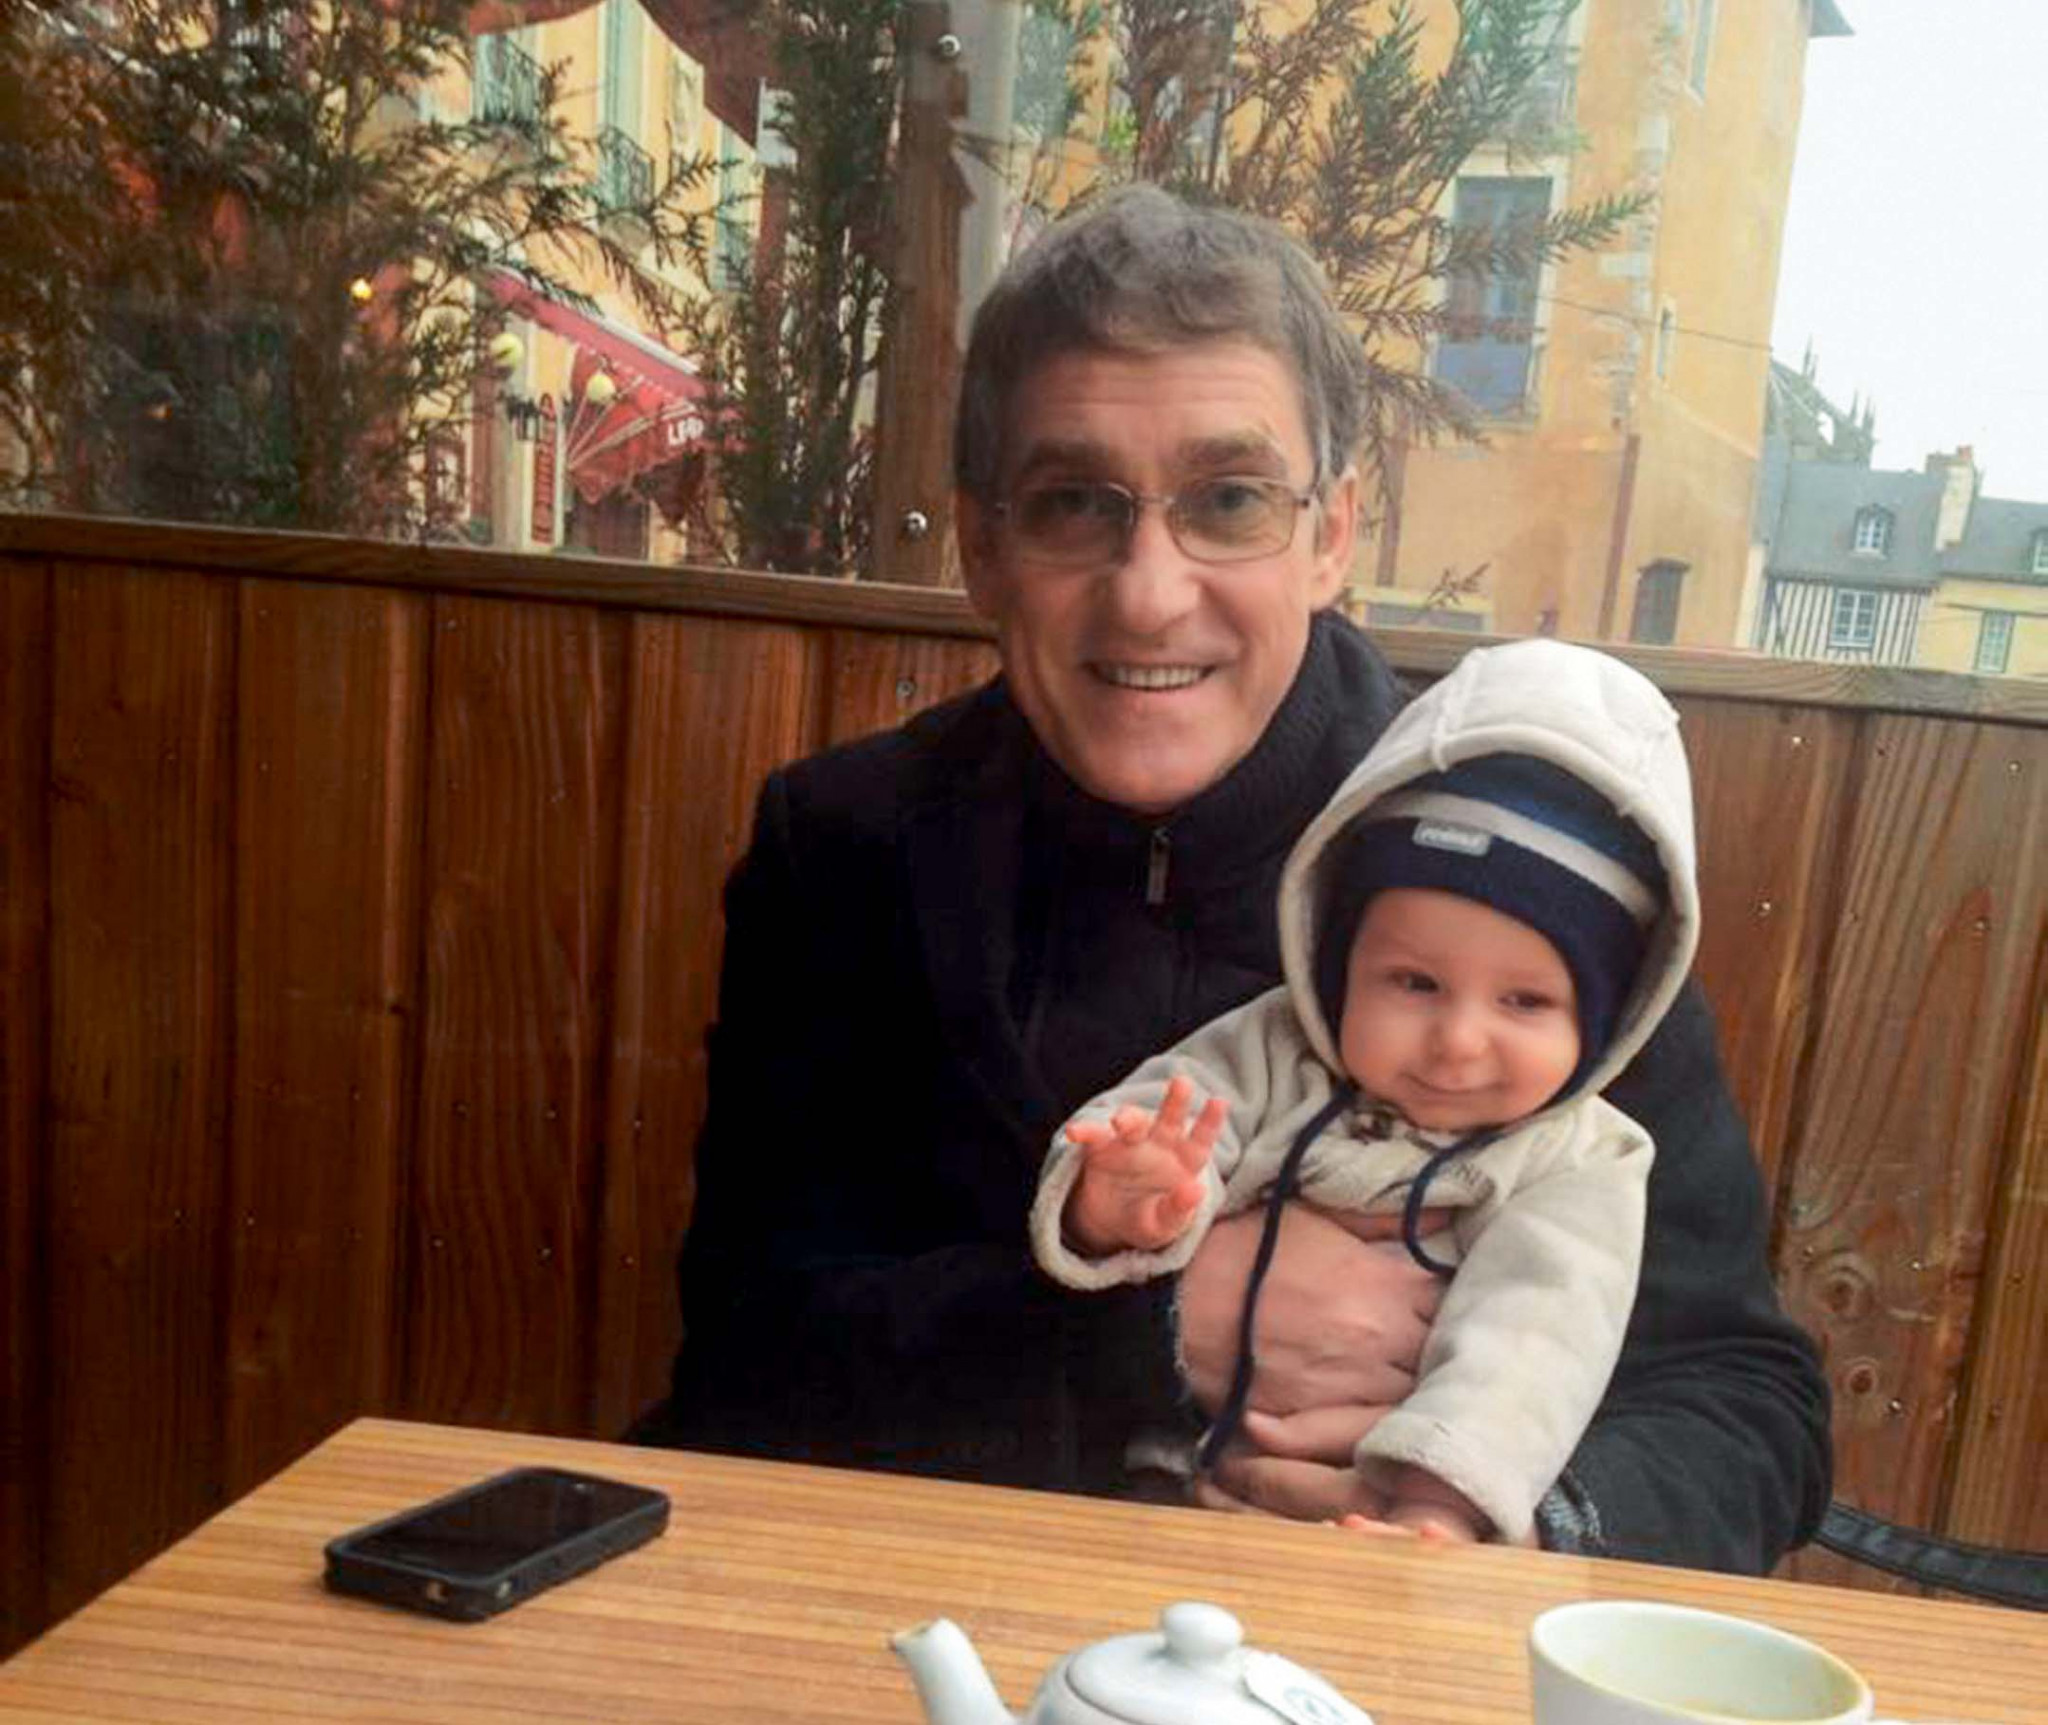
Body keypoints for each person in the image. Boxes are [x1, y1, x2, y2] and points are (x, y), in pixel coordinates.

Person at [644, 182, 1830, 1572]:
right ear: (981, 549)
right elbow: (746, 1358)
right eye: (1072, 504)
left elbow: (1745, 1408)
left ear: (1331, 534)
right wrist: (1144, 1329)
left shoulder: (1541, 849)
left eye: (1228, 500)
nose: (1150, 593)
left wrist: (1506, 1530)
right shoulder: (842, 849)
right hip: (946, 1613)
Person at [1032, 637, 1697, 1544]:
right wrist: (1115, 1196)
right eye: (1415, 982)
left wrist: (1438, 1509)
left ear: (1603, 1023)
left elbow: (1531, 1346)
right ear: (1339, 963)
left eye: (1525, 1001)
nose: (1459, 1039)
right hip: (1162, 1487)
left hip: (1378, 1520)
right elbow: (1166, 1111)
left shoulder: (1579, 1158)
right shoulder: (1277, 1047)